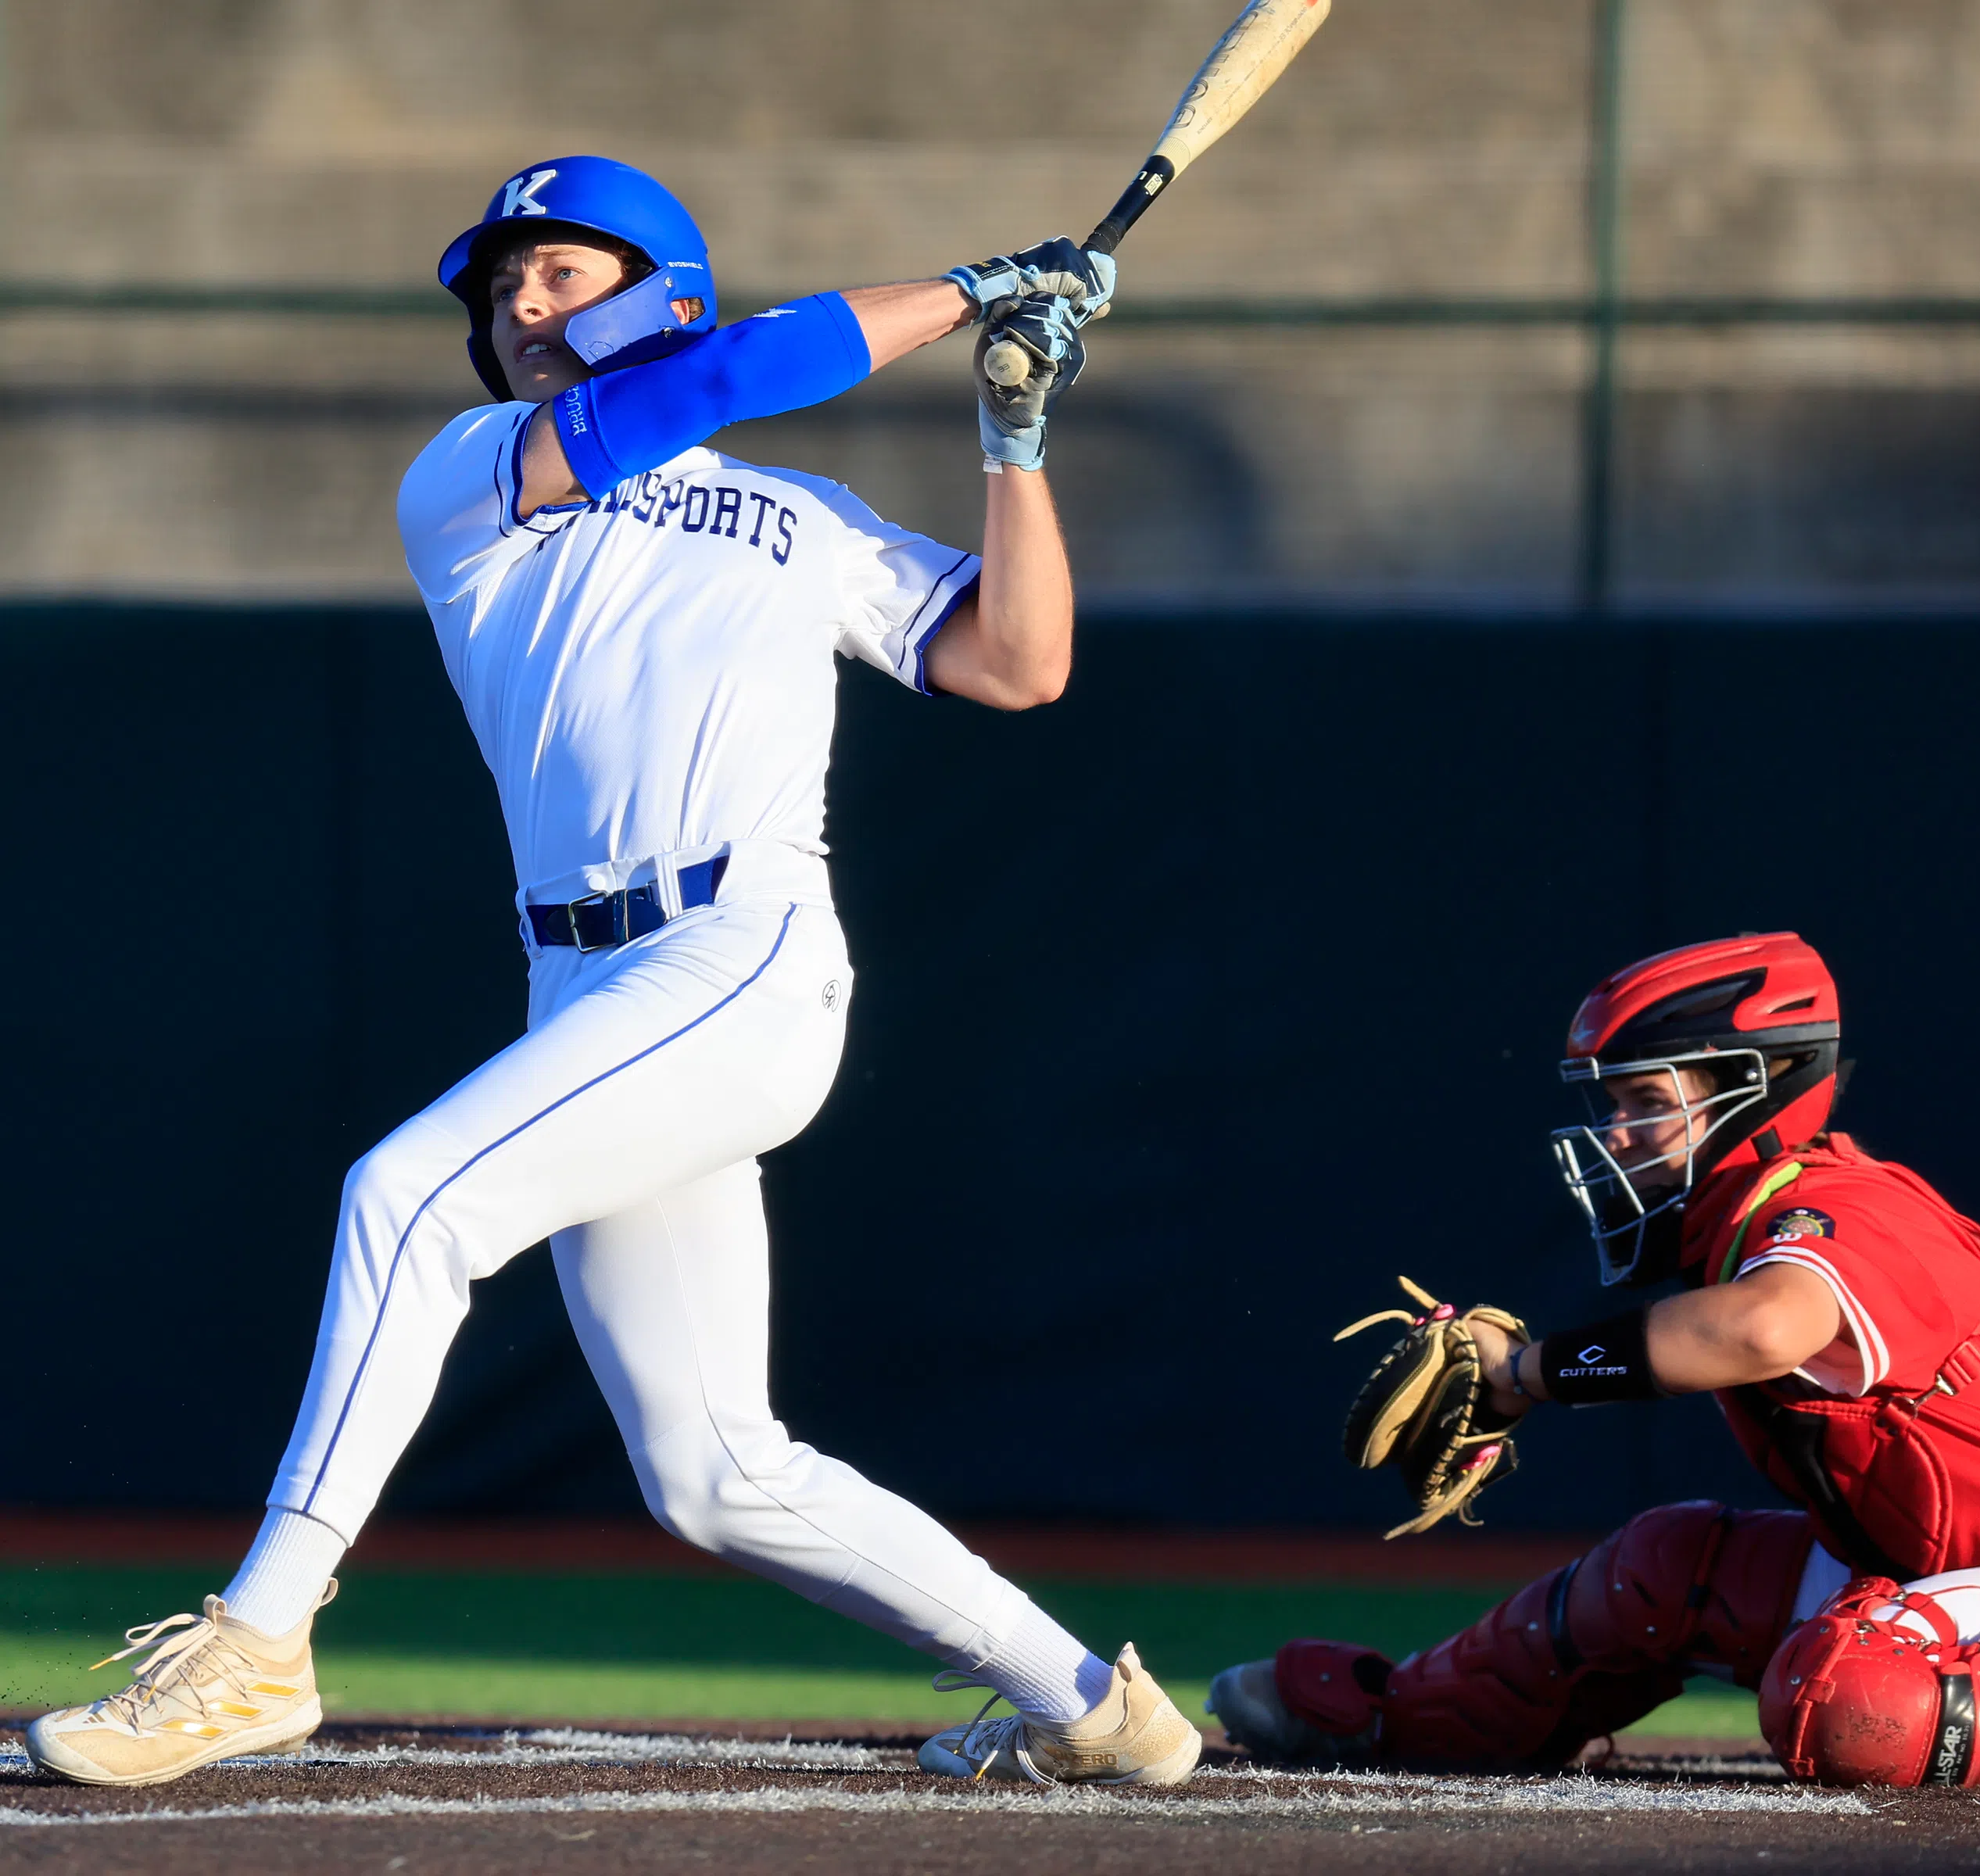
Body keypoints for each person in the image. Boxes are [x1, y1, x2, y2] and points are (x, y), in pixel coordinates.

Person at [28, 155, 1200, 1792]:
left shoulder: (799, 520)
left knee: (408, 1197)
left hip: (743, 950)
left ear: (661, 290)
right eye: (500, 283)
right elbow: (734, 376)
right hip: (585, 986)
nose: (517, 303)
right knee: (715, 1471)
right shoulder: (470, 473)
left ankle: (259, 1642)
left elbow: (1020, 662)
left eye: (560, 273)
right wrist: (970, 290)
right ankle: (1090, 1700)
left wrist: (1014, 436)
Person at [1209, 931, 1980, 1789]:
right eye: (1613, 1107)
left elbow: (1764, 1329)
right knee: (1660, 1569)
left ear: (1756, 1088)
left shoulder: (1840, 1203)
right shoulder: (1751, 1220)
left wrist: (1523, 1373)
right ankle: (1408, 1716)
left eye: (1646, 1103)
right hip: (1964, 1566)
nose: (1615, 1133)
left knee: (1857, 1701)